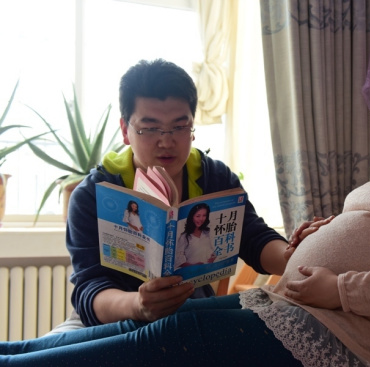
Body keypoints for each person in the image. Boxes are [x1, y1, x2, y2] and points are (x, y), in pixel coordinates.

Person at [0, 26, 370, 366]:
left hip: (346, 339)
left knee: (157, 343)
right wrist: (310, 254)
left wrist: (339, 287)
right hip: (285, 308)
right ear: (125, 129)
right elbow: (88, 283)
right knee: (152, 333)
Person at [62, 59, 291, 327]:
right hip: (113, 318)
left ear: (192, 128)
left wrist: (297, 255)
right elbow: (91, 288)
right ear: (126, 130)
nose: (166, 141)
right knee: (48, 351)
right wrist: (139, 305)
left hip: (190, 310)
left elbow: (254, 238)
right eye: (149, 128)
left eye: (180, 127)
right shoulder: (94, 193)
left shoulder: (214, 178)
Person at [175, 203, 215, 268]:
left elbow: (212, 250)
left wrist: (213, 257)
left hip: (207, 269)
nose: (201, 219)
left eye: (204, 215)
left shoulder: (207, 233)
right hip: (192, 272)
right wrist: (193, 266)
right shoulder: (184, 237)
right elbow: (178, 260)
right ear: (192, 217)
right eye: (198, 216)